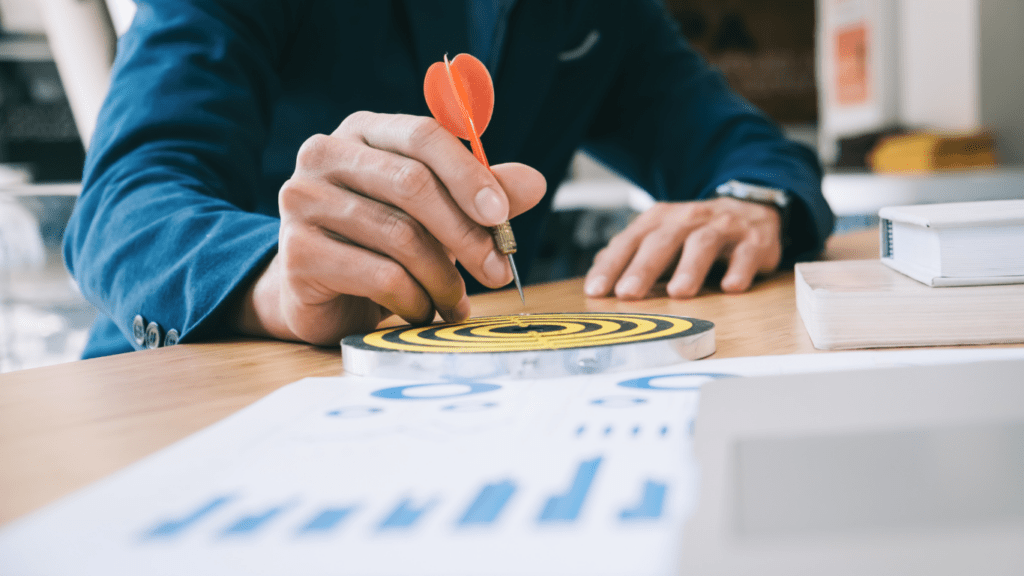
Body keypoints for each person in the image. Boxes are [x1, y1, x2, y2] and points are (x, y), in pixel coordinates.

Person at [64, 0, 834, 358]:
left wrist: (751, 204)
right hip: (198, 394)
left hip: (462, 387)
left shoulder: (606, 13)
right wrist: (277, 282)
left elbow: (744, 148)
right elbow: (122, 206)